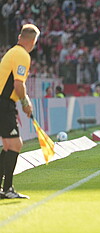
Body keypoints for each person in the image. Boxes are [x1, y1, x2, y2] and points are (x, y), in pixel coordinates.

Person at [0, 24, 40, 199]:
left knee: (9, 146)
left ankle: (4, 188)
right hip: (4, 104)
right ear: (33, 41)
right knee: (15, 145)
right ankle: (8, 188)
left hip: (3, 103)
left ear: (20, 37)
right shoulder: (23, 55)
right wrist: (26, 103)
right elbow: (18, 84)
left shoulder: (12, 52)